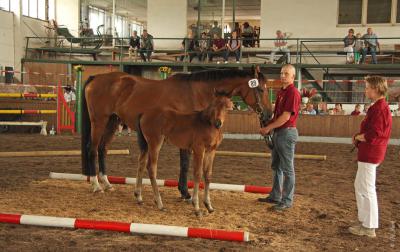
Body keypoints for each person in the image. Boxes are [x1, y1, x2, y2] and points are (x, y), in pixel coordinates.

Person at [349, 76, 392, 238]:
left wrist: (358, 137)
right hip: (369, 152)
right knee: (361, 186)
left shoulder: (379, 108)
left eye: (367, 87)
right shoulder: (378, 107)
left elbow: (374, 134)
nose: (365, 90)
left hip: (371, 152)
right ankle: (364, 221)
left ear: (376, 89)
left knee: (367, 188)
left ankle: (369, 226)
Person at [258, 64, 301, 211]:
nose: (283, 76)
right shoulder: (281, 92)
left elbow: (285, 117)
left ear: (293, 77)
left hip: (286, 133)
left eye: (286, 74)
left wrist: (268, 127)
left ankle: (287, 200)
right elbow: (277, 115)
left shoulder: (293, 93)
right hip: (279, 132)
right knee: (277, 166)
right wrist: (268, 123)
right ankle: (276, 195)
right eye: (282, 73)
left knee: (287, 168)